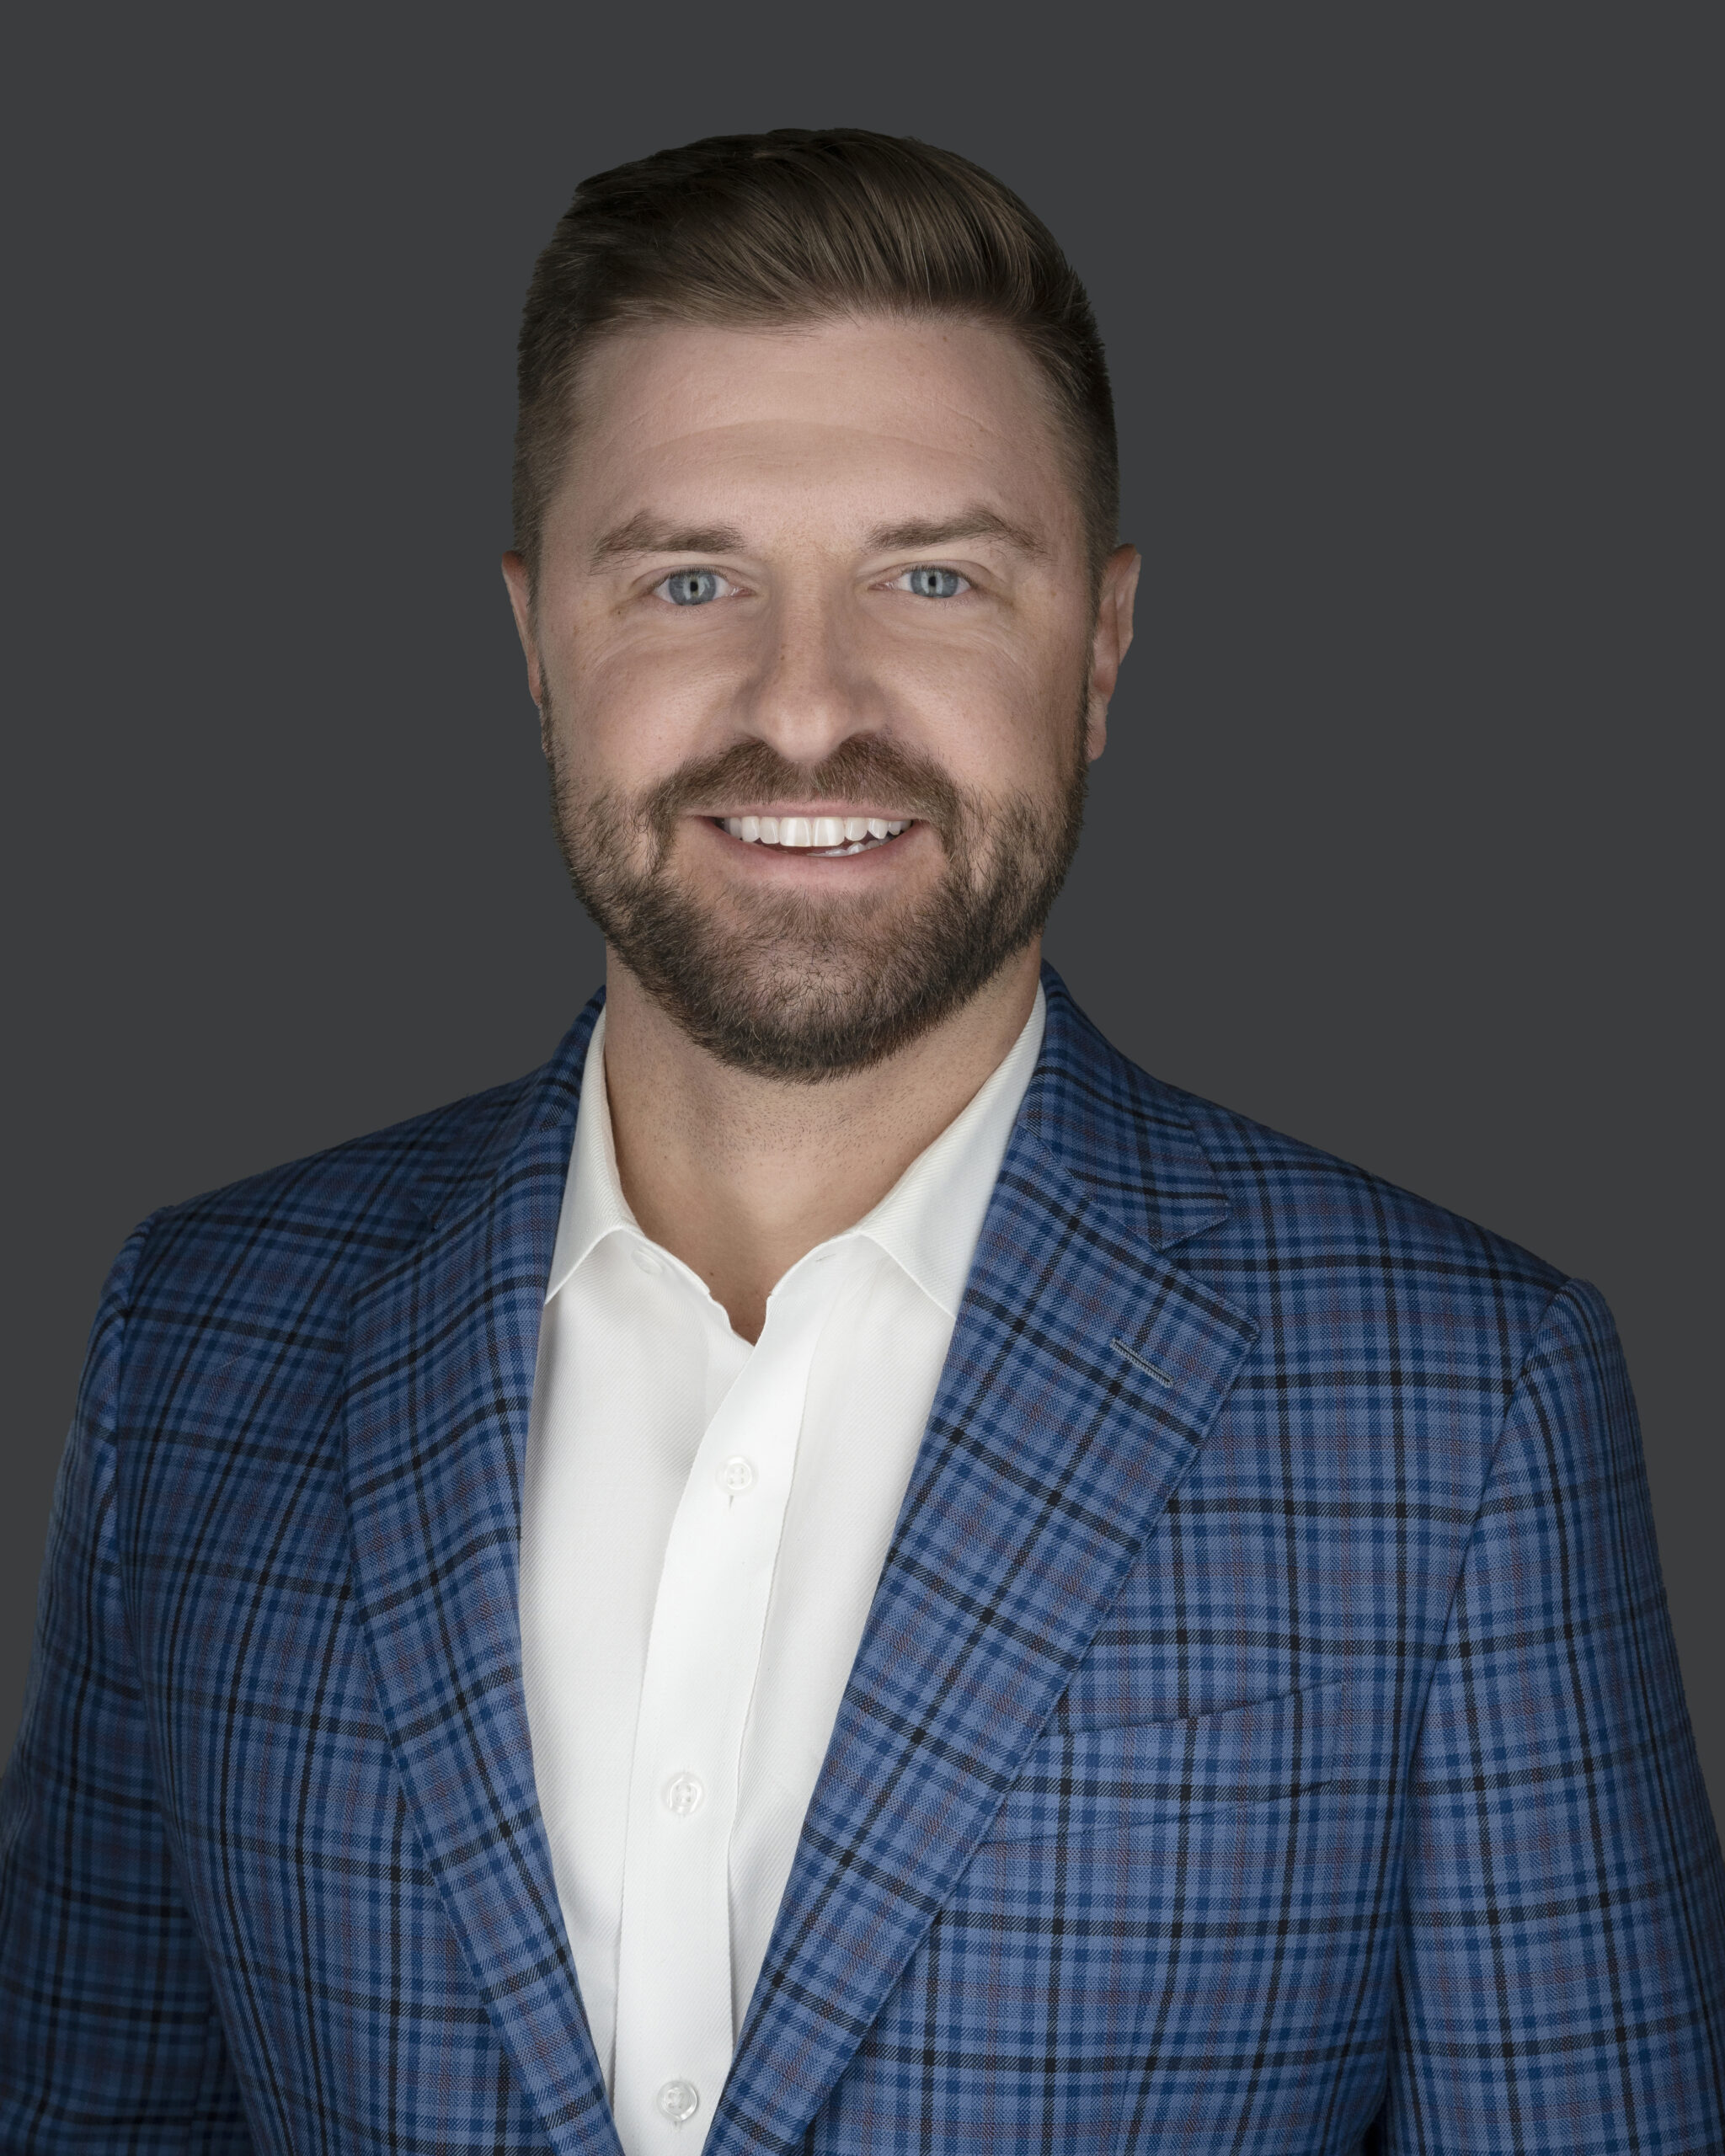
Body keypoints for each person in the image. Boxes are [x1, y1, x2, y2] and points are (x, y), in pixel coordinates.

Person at [1, 125, 1719, 2156]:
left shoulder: (1460, 1406)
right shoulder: (197, 1341)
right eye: (691, 579)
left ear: (1101, 645)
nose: (807, 708)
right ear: (536, 641)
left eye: (932, 578)